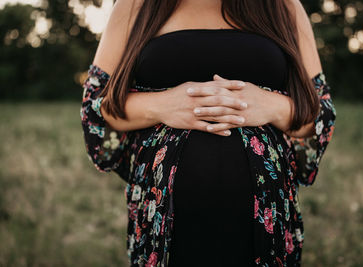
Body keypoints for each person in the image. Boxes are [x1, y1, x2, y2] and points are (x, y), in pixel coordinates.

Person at [80, 0, 337, 266]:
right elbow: (96, 105)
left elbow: (321, 115)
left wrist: (274, 106)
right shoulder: (136, 4)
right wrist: (161, 105)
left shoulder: (283, 5)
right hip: (163, 223)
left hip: (266, 224)